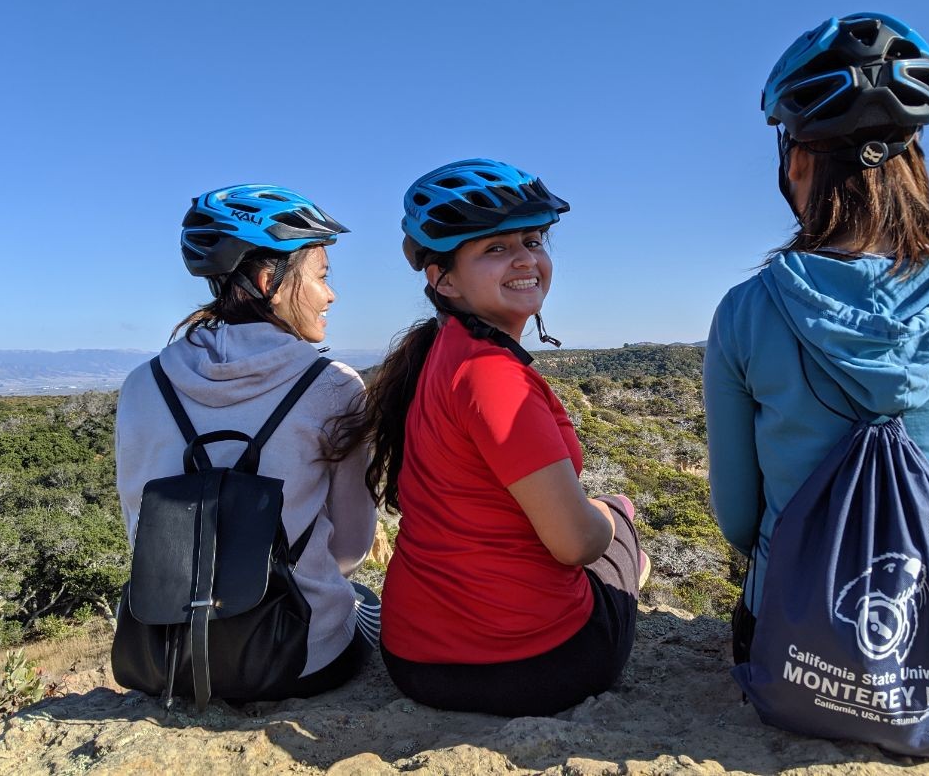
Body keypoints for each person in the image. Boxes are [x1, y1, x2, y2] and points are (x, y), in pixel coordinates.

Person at [703, 13, 929, 662]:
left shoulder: (748, 311)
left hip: (794, 647)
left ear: (798, 157)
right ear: (914, 151)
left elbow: (740, 522)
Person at [331, 159, 646, 716]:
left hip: (414, 656)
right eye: (494, 248)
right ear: (443, 278)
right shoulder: (494, 376)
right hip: (526, 666)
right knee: (617, 522)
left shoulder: (439, 351)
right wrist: (610, 518)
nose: (525, 258)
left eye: (532, 239)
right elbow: (574, 545)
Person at [115, 184, 380, 699]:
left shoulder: (142, 384)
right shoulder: (335, 385)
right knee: (364, 601)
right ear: (269, 281)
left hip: (167, 656)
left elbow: (138, 528)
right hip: (299, 658)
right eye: (322, 277)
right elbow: (350, 548)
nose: (331, 295)